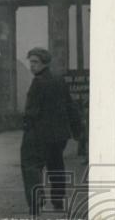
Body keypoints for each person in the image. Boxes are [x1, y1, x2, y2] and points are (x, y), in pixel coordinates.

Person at [20, 47, 83, 215]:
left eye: (35, 62)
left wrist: (27, 128)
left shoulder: (38, 82)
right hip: (59, 136)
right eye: (30, 62)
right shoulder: (59, 80)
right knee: (56, 166)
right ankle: (58, 202)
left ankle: (36, 203)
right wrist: (77, 130)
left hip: (39, 135)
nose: (32, 66)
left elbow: (31, 112)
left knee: (31, 166)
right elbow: (70, 106)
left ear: (44, 63)